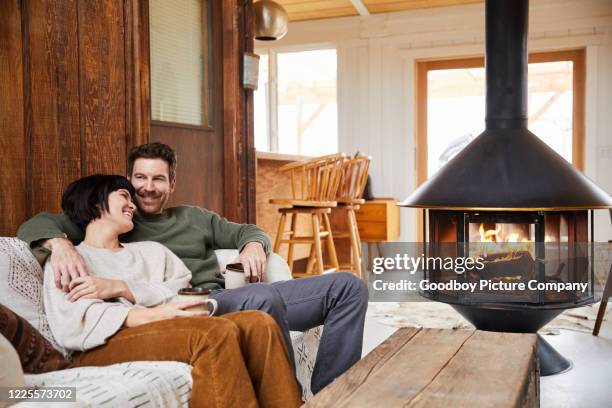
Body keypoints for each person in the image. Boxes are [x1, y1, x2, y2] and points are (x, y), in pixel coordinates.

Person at [18, 143, 369, 394]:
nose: (146, 188)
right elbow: (42, 223)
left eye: (158, 179)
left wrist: (251, 245)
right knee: (261, 298)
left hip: (227, 295)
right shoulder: (113, 220)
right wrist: (59, 244)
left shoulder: (193, 218)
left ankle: (332, 396)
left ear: (171, 184)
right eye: (138, 178)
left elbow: (248, 230)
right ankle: (286, 394)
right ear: (127, 181)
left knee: (348, 287)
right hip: (193, 306)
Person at [41, 174, 301, 408]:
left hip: (165, 327)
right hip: (100, 345)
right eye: (123, 196)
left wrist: (123, 288)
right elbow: (74, 322)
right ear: (95, 202)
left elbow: (181, 291)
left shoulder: (152, 252)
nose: (133, 205)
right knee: (214, 333)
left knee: (259, 323)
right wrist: (157, 313)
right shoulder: (71, 259)